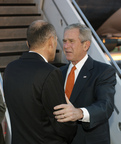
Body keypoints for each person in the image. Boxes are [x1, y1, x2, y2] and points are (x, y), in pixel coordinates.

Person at [3, 20, 77, 144]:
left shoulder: (10, 68)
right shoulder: (50, 72)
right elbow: (62, 122)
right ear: (51, 42)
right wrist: (73, 118)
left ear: (28, 43)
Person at [53, 23, 116, 144]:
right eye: (64, 41)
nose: (66, 46)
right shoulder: (58, 73)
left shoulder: (103, 71)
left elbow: (106, 106)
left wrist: (79, 113)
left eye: (71, 41)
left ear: (86, 45)